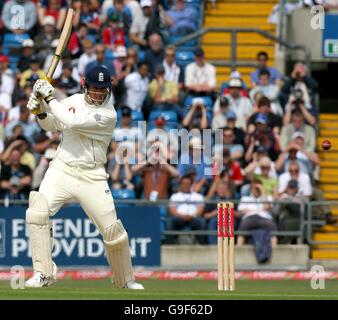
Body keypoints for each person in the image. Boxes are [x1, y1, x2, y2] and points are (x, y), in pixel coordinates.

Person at [24, 65, 143, 289]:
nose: (99, 93)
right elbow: (53, 124)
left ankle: (125, 279)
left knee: (113, 231)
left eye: (103, 89)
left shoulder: (109, 114)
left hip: (93, 176)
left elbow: (73, 122)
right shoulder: (72, 101)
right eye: (95, 88)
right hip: (62, 168)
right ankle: (42, 273)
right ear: (85, 85)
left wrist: (48, 97)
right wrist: (40, 111)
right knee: (37, 212)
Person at [237, 179, 277, 246]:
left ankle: (274, 249)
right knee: (243, 226)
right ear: (251, 188)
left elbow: (267, 206)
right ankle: (239, 247)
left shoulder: (268, 198)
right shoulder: (245, 198)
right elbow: (242, 210)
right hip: (249, 218)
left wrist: (263, 191)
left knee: (272, 226)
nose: (256, 189)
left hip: (264, 218)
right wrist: (258, 210)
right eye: (254, 188)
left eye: (258, 188)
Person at [167, 175, 206, 244]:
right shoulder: (175, 196)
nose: (186, 185)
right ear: (180, 185)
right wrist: (182, 216)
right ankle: (170, 244)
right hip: (179, 218)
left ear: (191, 185)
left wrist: (192, 216)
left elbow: (200, 209)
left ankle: (203, 245)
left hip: (193, 218)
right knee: (171, 221)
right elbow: (172, 210)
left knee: (201, 222)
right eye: (184, 183)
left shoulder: (198, 196)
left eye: (188, 184)